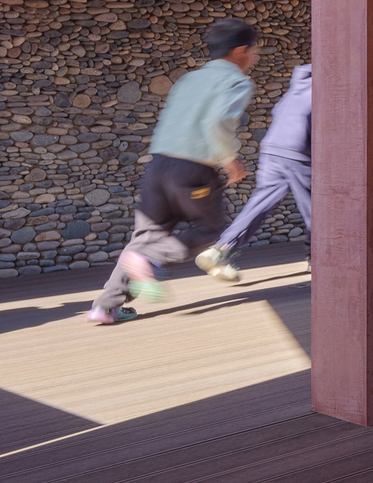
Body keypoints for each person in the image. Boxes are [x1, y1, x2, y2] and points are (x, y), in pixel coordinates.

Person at [89, 18, 259, 324]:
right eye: (254, 51)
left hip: (158, 164)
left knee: (147, 235)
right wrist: (230, 159)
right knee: (211, 229)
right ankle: (149, 260)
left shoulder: (189, 79)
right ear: (240, 51)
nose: (255, 58)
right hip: (193, 169)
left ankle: (106, 306)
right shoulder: (237, 82)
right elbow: (216, 122)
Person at [197, 62, 311, 283]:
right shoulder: (327, 86)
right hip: (299, 152)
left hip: (272, 149)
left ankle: (220, 249)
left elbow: (279, 112)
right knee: (316, 209)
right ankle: (317, 258)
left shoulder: (298, 86)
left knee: (260, 203)